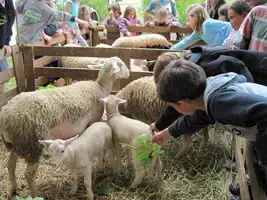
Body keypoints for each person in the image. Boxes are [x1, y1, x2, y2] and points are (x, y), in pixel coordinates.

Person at [151, 59, 267, 171]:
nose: (174, 110)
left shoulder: (219, 102)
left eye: (173, 106)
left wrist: (264, 158)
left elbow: (264, 112)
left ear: (181, 102)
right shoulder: (209, 94)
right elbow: (199, 118)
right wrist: (169, 132)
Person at [16, 0, 90, 45]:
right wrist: (81, 21)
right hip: (29, 42)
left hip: (20, 39)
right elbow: (62, 15)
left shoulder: (27, 3)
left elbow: (35, 23)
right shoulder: (44, 9)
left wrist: (44, 36)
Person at [0, 0, 15, 94]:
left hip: (3, 46)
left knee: (2, 76)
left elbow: (8, 25)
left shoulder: (8, 3)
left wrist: (6, 43)